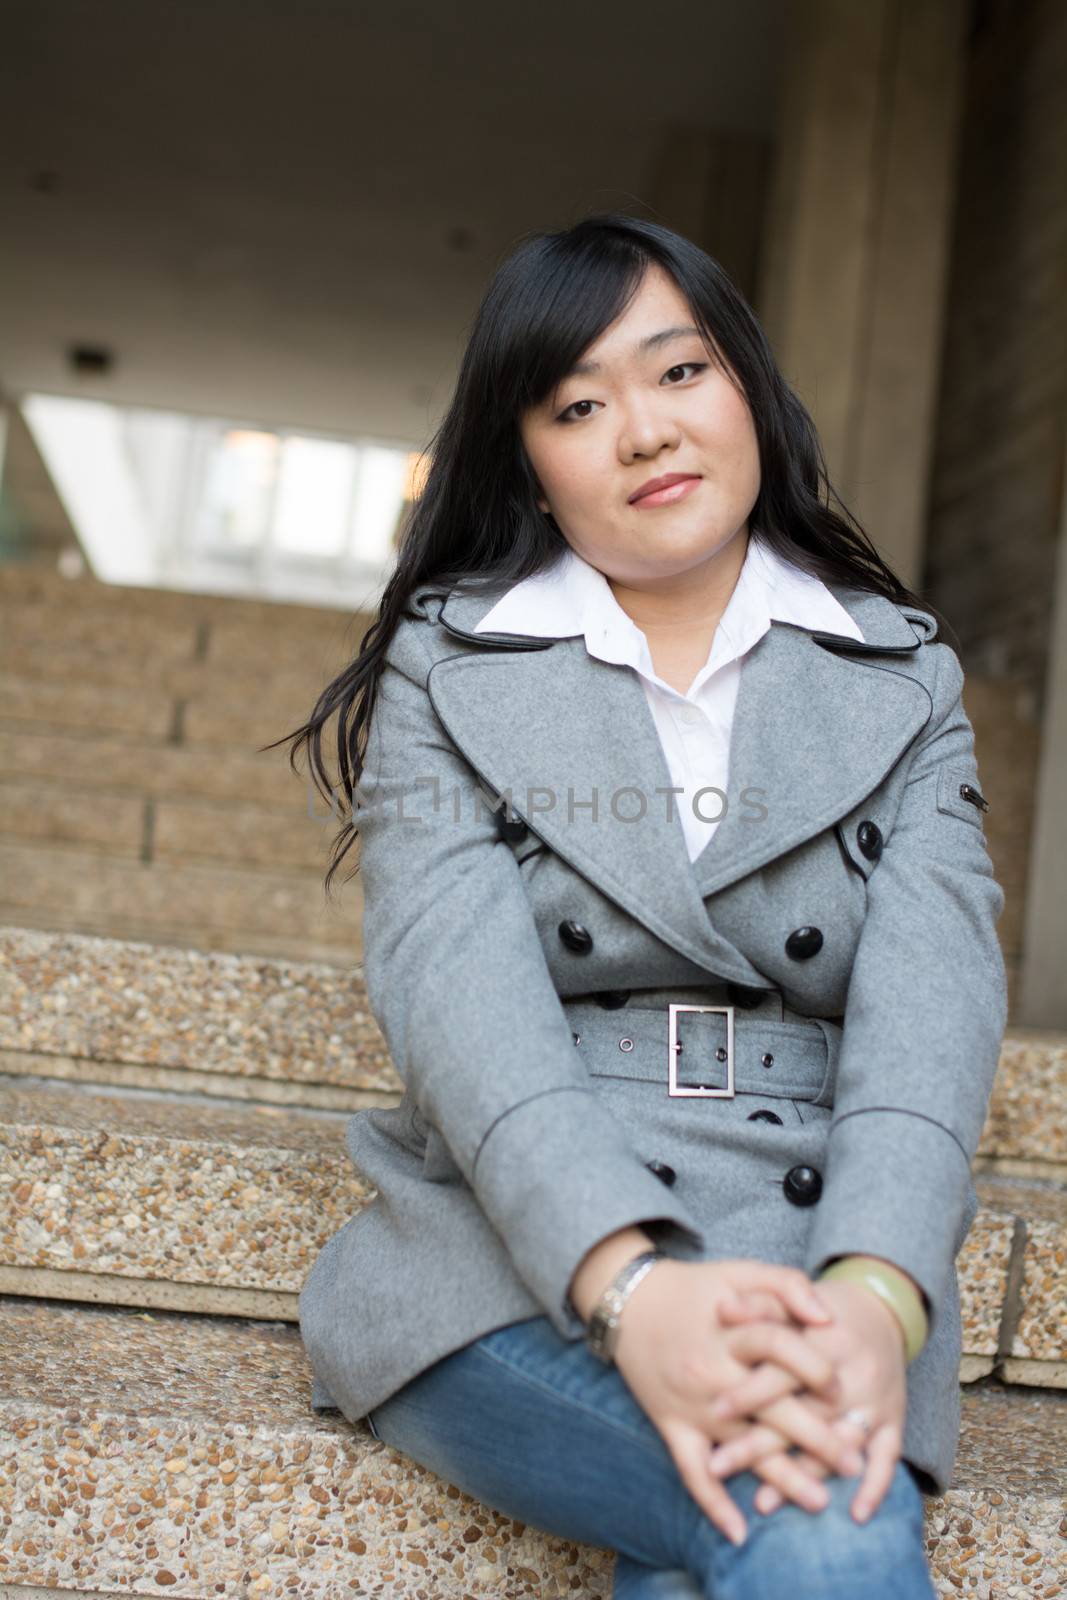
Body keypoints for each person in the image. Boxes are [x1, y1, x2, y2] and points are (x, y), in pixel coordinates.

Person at [272, 214, 1007, 1598]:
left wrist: (875, 1297)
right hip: (508, 1256)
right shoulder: (454, 671)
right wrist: (631, 1288)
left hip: (820, 1254)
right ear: (531, 465)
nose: (646, 431)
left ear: (751, 395)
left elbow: (936, 1015)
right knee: (816, 1521)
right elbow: (460, 1008)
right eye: (580, 404)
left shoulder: (904, 682)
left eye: (680, 373)